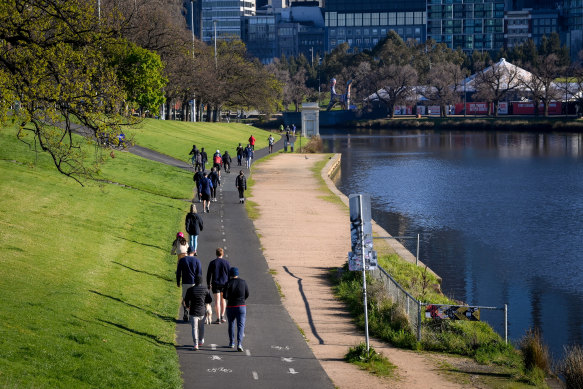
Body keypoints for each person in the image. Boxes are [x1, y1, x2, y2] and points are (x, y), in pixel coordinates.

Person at [183, 274, 213, 350]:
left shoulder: (190, 290)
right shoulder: (205, 289)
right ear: (201, 281)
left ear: (194, 281)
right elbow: (209, 300)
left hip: (193, 311)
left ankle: (195, 344)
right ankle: (201, 340)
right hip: (202, 311)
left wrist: (188, 306)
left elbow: (186, 300)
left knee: (194, 328)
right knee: (201, 327)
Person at [224, 267, 249, 351]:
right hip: (241, 306)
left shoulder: (228, 283)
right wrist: (242, 299)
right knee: (240, 325)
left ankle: (231, 342)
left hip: (231, 306)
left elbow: (224, 296)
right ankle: (239, 344)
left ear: (230, 274)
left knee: (231, 324)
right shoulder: (243, 282)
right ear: (237, 274)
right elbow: (247, 293)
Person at [176, 247, 202, 322]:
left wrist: (178, 281)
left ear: (187, 252)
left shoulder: (182, 260)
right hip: (194, 282)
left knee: (185, 298)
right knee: (193, 298)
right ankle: (192, 313)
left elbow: (178, 272)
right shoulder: (197, 261)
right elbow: (199, 273)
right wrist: (199, 283)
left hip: (185, 282)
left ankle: (185, 310)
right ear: (193, 252)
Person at [206, 248, 231, 324]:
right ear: (222, 254)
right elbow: (229, 274)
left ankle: (218, 318)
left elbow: (209, 274)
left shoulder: (212, 263)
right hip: (224, 284)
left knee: (217, 301)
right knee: (223, 300)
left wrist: (208, 283)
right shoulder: (226, 263)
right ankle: (223, 316)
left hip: (215, 283)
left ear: (216, 254)